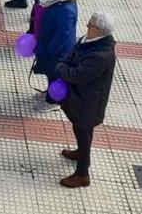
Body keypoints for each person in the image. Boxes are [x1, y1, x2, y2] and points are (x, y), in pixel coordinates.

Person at [55, 11, 118, 188]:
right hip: (82, 99)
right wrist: (64, 63)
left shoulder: (100, 56)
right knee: (80, 130)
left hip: (88, 103)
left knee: (83, 132)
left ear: (99, 30)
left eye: (90, 25)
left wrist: (60, 68)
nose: (87, 26)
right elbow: (72, 54)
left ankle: (82, 174)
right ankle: (81, 154)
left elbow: (78, 75)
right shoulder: (90, 40)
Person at [34, 0, 79, 107]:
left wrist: (50, 50)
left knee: (54, 74)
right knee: (49, 73)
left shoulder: (66, 9)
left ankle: (53, 101)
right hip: (48, 43)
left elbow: (63, 35)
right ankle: (50, 92)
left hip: (57, 50)